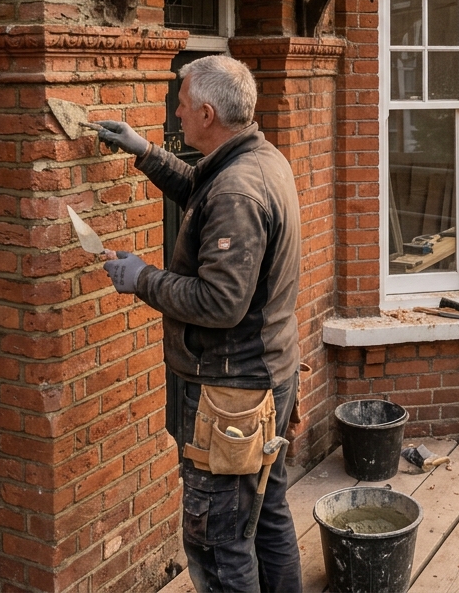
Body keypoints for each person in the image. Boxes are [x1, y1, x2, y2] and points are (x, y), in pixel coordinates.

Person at [93, 55, 302, 593]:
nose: (177, 113)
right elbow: (204, 194)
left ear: (208, 113)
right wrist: (145, 153)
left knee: (218, 539)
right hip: (269, 375)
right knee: (267, 512)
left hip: (233, 393)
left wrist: (141, 278)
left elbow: (219, 301)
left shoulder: (238, 189)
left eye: (182, 105)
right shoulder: (257, 158)